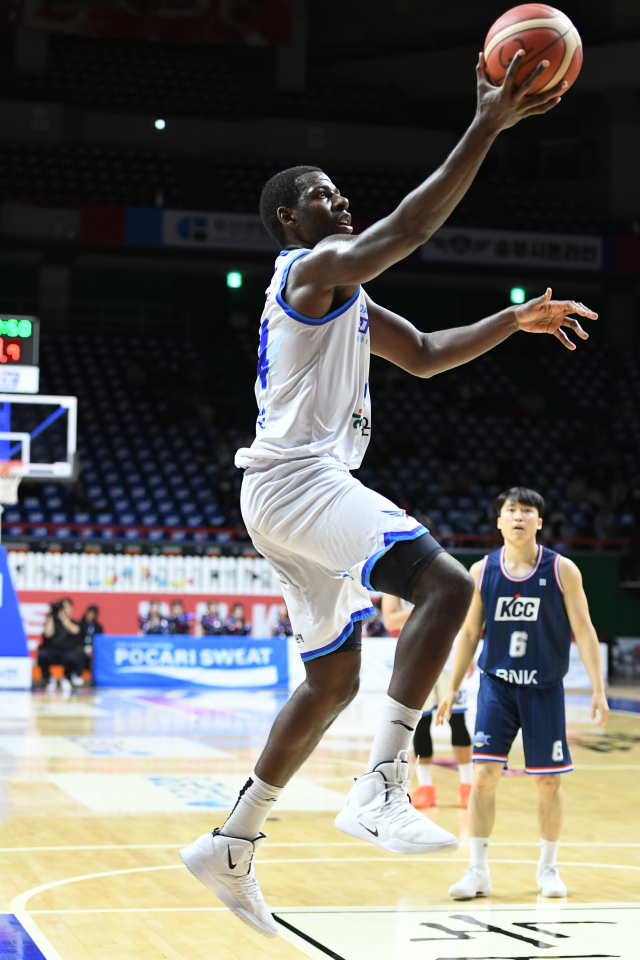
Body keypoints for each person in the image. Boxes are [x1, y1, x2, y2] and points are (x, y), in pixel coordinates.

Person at [179, 50, 597, 940]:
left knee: (333, 678)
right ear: (290, 220)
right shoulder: (308, 268)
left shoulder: (350, 299)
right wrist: (487, 121)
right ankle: (380, 784)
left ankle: (233, 839)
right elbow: (407, 228)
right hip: (299, 484)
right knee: (450, 583)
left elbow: (429, 354)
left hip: (280, 497)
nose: (341, 202)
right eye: (324, 194)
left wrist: (512, 321)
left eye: (340, 194)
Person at [439, 487, 609, 900]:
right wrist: (452, 687)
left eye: (527, 511)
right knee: (482, 776)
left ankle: (548, 869)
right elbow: (468, 633)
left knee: (549, 784)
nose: (518, 517)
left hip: (544, 689)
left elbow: (584, 630)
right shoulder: (481, 571)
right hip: (496, 686)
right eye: (510, 511)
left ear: (539, 521)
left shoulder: (562, 569)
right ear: (498, 521)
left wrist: (599, 688)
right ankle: (477, 870)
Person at [382, 595, 473, 809]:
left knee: (457, 720)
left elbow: (460, 611)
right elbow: (390, 621)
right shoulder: (394, 579)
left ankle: (468, 786)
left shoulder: (439, 567)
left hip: (450, 650)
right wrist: (427, 606)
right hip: (416, 652)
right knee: (420, 723)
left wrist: (467, 653)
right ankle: (425, 787)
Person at [38, 598, 83, 693]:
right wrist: (51, 617)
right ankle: (49, 678)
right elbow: (47, 634)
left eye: (66, 607)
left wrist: (64, 618)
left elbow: (75, 631)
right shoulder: (52, 621)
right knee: (42, 655)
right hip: (52, 649)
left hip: (66, 650)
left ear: (71, 608)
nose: (64, 609)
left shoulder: (73, 622)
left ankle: (66, 677)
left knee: (73, 657)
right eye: (62, 607)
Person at [78, 605, 104, 686]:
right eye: (90, 613)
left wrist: (92, 647)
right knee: (79, 653)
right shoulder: (81, 625)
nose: (91, 615)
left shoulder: (98, 627)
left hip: (93, 648)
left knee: (97, 655)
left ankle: (94, 678)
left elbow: (100, 640)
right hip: (81, 647)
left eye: (93, 613)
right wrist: (84, 647)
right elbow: (77, 639)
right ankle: (78, 675)